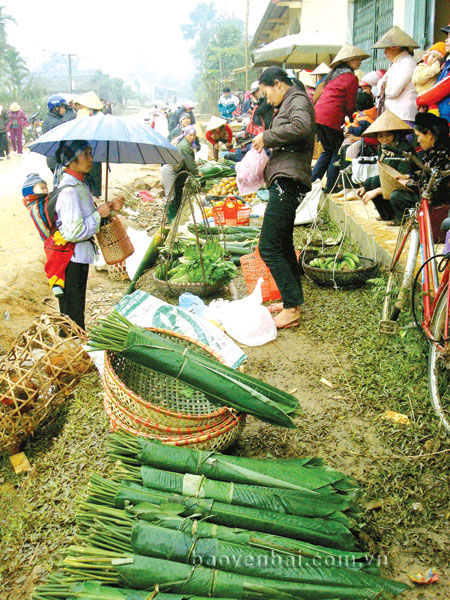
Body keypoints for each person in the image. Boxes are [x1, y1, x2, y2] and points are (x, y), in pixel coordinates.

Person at [252, 66, 315, 329]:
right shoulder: (290, 102)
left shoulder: (297, 99)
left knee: (268, 246)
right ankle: (292, 302)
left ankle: (291, 309)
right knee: (284, 244)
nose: (267, 100)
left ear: (278, 84)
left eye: (267, 93)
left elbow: (302, 126)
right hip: (286, 177)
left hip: (288, 180)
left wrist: (267, 137)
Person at [52, 140, 123, 329]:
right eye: (86, 154)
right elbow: (73, 232)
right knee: (72, 313)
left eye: (91, 153)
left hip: (80, 256)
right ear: (72, 161)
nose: (91, 159)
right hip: (71, 258)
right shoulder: (69, 191)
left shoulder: (81, 185)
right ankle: (71, 348)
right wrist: (98, 214)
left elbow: (88, 218)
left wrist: (109, 210)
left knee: (76, 308)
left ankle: (73, 344)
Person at [312, 44, 370, 193]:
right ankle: (331, 186)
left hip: (318, 116)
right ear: (349, 60)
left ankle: (312, 182)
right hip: (331, 118)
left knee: (327, 150)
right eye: (357, 59)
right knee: (336, 151)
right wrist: (352, 119)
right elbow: (350, 104)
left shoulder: (334, 74)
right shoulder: (350, 78)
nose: (359, 62)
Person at [356, 110, 416, 222]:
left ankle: (399, 217)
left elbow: (403, 176)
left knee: (378, 185)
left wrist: (378, 190)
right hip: (389, 181)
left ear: (395, 135)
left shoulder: (404, 149)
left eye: (388, 135)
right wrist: (367, 187)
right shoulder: (382, 148)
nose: (384, 139)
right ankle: (386, 215)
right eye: (381, 136)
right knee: (370, 182)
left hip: (404, 185)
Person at [390, 112, 450, 225]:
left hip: (439, 201)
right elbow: (426, 172)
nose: (417, 141)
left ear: (429, 134)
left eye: (418, 136)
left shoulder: (442, 154)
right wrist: (408, 177)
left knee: (397, 196)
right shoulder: (433, 150)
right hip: (433, 194)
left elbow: (432, 187)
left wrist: (407, 184)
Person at [372, 26, 419, 126]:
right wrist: (384, 85)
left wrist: (384, 86)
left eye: (386, 48)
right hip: (393, 115)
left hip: (403, 116)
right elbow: (379, 85)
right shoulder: (396, 63)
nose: (385, 52)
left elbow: (392, 92)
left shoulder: (407, 62)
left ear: (395, 47)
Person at [161, 125, 202, 223]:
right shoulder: (184, 146)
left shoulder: (186, 143)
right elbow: (189, 163)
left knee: (176, 192)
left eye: (194, 135)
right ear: (186, 135)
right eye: (190, 135)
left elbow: (188, 160)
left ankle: (175, 213)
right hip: (169, 169)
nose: (192, 137)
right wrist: (197, 172)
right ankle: (170, 218)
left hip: (174, 169)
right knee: (170, 194)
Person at [416, 23, 450, 123]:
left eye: (449, 37)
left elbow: (441, 89)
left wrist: (420, 100)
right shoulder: (446, 63)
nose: (446, 40)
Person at [73, 91, 104, 199]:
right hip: (97, 145)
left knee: (84, 168)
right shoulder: (100, 114)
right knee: (96, 169)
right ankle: (97, 194)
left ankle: (86, 192)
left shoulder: (81, 113)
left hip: (84, 144)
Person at [42, 94, 73, 173]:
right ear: (56, 108)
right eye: (63, 107)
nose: (65, 110)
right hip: (57, 159)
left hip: (52, 159)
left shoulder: (48, 120)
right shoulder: (56, 123)